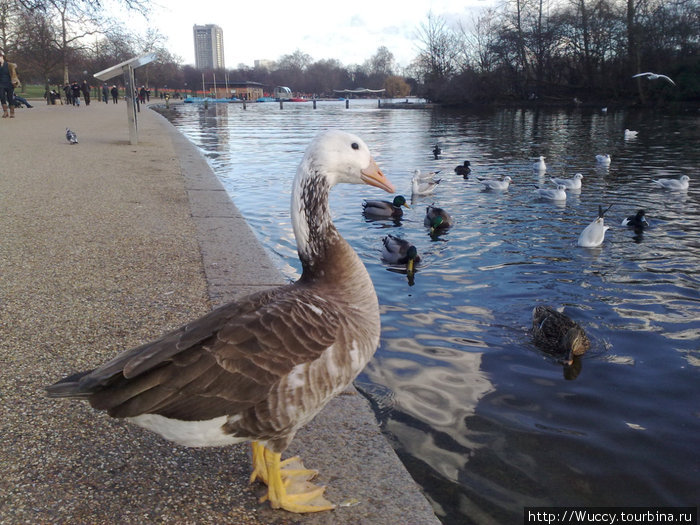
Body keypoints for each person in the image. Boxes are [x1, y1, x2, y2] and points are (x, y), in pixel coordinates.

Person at [0, 50, 20, 118]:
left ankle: (12, 112)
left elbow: (16, 73)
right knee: (2, 97)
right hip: (1, 84)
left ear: (2, 57)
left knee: (10, 98)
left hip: (9, 84)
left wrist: (15, 80)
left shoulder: (10, 65)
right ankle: (5, 112)